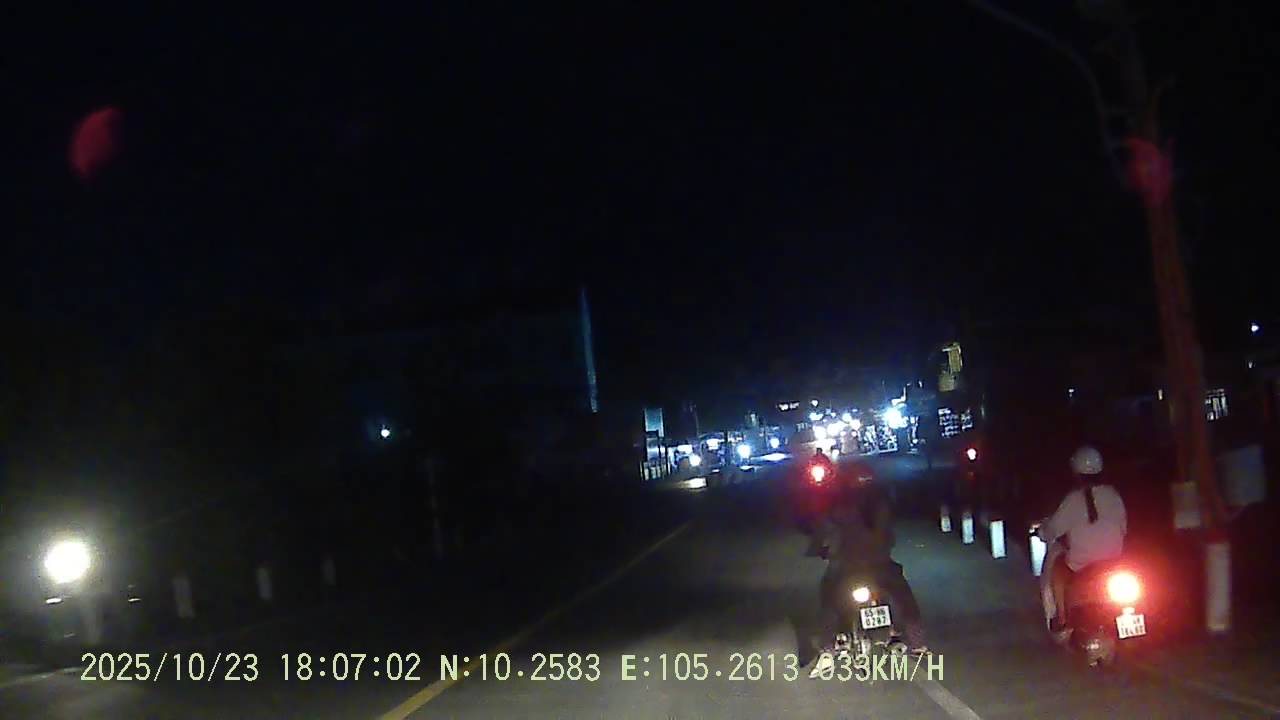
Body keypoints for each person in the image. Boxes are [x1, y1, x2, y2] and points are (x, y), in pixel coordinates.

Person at [801, 476, 927, 674]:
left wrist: (818, 549)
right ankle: (917, 642)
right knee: (903, 596)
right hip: (881, 567)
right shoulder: (880, 507)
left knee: (829, 598)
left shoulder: (837, 510)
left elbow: (822, 535)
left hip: (847, 570)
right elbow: (890, 537)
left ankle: (827, 649)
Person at [1036, 445, 1127, 634]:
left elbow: (1052, 530)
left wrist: (1042, 531)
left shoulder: (1073, 500)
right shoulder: (1114, 496)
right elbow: (1124, 528)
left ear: (1076, 473)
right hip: (1114, 562)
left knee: (1058, 567)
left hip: (1081, 565)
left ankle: (1062, 618)